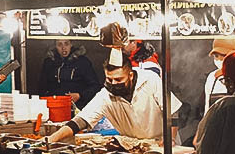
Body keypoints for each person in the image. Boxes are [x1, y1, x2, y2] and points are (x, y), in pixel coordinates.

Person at [47, 49, 181, 143]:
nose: (113, 83)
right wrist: (52, 138)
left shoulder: (150, 79)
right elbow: (81, 121)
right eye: (109, 79)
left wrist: (171, 140)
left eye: (118, 79)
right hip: (135, 147)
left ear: (131, 75)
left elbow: (172, 111)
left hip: (164, 143)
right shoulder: (106, 95)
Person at [37, 39, 100, 105]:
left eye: (66, 44)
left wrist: (80, 95)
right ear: (55, 46)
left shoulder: (82, 62)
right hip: (54, 104)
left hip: (77, 106)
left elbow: (95, 86)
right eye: (59, 44)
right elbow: (42, 87)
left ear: (71, 45)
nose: (63, 48)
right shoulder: (49, 62)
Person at [202, 36, 235, 113]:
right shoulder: (212, 78)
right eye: (216, 56)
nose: (219, 60)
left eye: (224, 56)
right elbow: (208, 112)